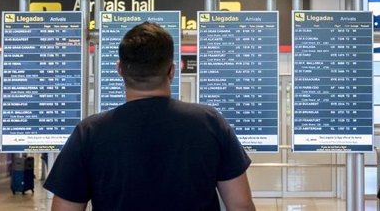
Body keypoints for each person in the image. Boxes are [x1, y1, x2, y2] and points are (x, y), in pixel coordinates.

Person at [43, 22, 256, 211]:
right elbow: (241, 204)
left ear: (120, 70)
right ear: (172, 71)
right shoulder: (210, 122)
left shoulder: (89, 132)